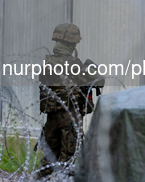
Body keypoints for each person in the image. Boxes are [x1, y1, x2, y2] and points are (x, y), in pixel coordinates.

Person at [37, 23, 104, 179]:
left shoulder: (47, 62)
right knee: (70, 158)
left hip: (52, 117)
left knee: (49, 158)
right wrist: (91, 69)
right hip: (70, 117)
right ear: (72, 43)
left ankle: (38, 179)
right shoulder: (74, 65)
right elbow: (99, 82)